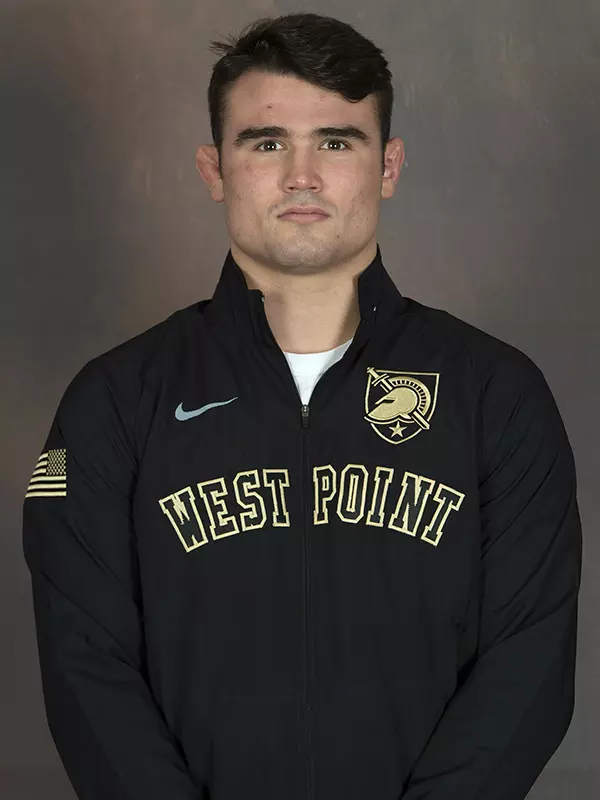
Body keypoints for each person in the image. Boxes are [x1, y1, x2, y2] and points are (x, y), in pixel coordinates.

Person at [22, 11, 582, 800]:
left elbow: (530, 665)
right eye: (266, 142)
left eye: (337, 140)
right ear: (214, 168)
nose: (302, 176)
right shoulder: (114, 403)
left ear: (388, 166)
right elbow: (87, 672)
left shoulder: (497, 395)